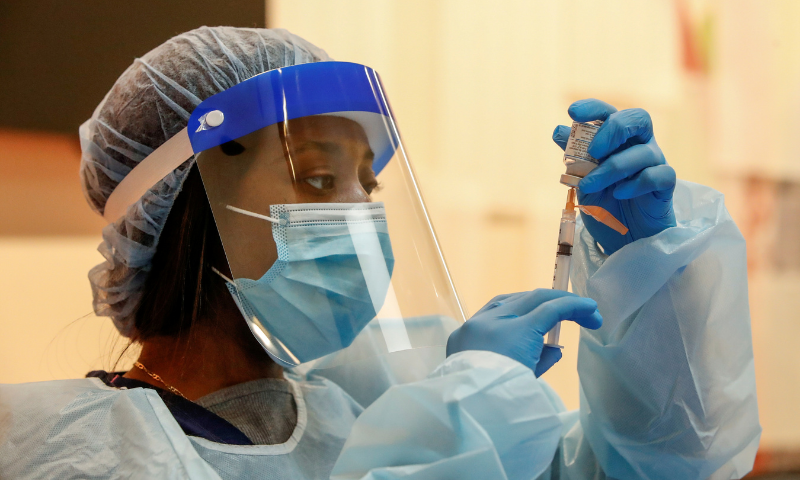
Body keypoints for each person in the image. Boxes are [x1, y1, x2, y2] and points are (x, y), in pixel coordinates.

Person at [0, 26, 759, 480]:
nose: (360, 219)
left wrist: (647, 265)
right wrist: (462, 410)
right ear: (190, 202)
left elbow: (649, 468)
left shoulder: (362, 409)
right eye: (321, 177)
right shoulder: (61, 447)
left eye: (366, 186)